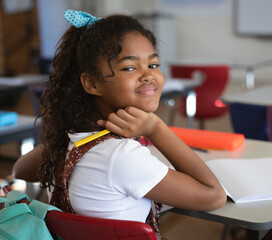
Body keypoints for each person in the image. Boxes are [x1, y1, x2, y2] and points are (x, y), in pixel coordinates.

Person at [12, 9, 226, 238]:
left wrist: (65, 141)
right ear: (92, 84)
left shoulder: (73, 141)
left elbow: (20, 169)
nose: (148, 76)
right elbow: (214, 196)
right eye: (130, 68)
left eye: (153, 65)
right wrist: (155, 127)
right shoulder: (121, 157)